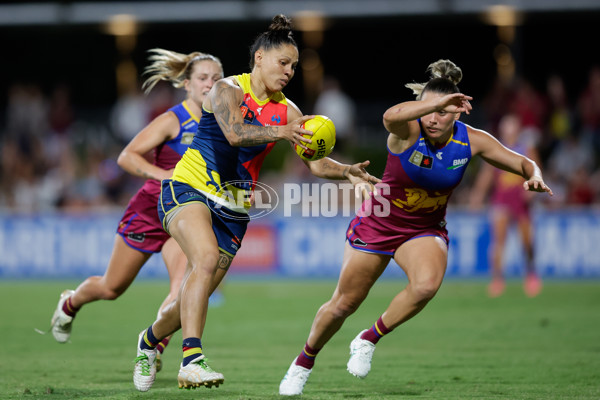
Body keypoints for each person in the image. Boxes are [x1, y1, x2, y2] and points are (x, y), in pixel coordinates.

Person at [131, 14, 380, 392]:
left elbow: (314, 163)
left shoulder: (291, 111)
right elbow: (234, 133)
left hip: (233, 206)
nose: (290, 71)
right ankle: (192, 360)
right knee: (204, 260)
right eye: (284, 63)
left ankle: (149, 340)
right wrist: (282, 131)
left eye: (294, 66)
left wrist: (345, 171)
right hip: (190, 187)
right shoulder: (227, 88)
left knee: (191, 298)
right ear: (260, 58)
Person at [279, 59, 553, 396]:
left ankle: (368, 338)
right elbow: (389, 116)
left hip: (423, 229)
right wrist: (432, 102)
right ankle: (303, 363)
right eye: (429, 111)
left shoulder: (472, 140)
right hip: (379, 222)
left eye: (442, 112)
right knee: (344, 304)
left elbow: (521, 161)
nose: (434, 119)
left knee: (425, 286)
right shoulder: (407, 131)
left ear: (458, 112)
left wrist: (534, 174)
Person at [49, 49, 224, 371]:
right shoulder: (174, 119)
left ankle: (152, 348)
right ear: (187, 84)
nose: (209, 84)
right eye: (202, 78)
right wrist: (166, 175)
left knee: (181, 289)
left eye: (216, 78)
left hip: (184, 214)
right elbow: (127, 156)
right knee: (111, 287)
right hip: (148, 210)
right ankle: (70, 302)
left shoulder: (225, 124)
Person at [469, 113, 543, 297]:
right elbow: (487, 174)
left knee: (527, 242)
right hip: (501, 199)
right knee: (498, 241)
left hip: (520, 199)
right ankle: (497, 279)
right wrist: (477, 194)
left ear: (518, 130)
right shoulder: (496, 148)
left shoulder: (526, 148)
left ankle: (531, 273)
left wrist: (532, 191)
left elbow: (536, 170)